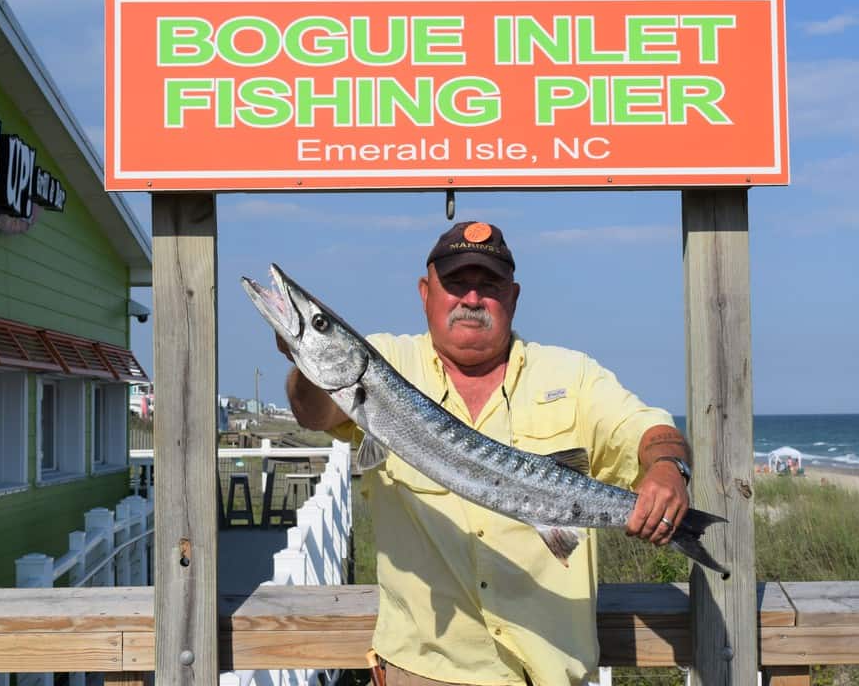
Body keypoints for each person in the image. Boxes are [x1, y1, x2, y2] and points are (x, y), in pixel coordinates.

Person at [278, 220, 692, 686]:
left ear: (513, 296)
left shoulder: (571, 375)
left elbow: (648, 429)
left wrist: (668, 467)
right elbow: (313, 411)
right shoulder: (386, 361)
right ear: (425, 292)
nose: (471, 300)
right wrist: (303, 354)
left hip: (551, 672)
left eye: (489, 286)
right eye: (456, 284)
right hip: (425, 671)